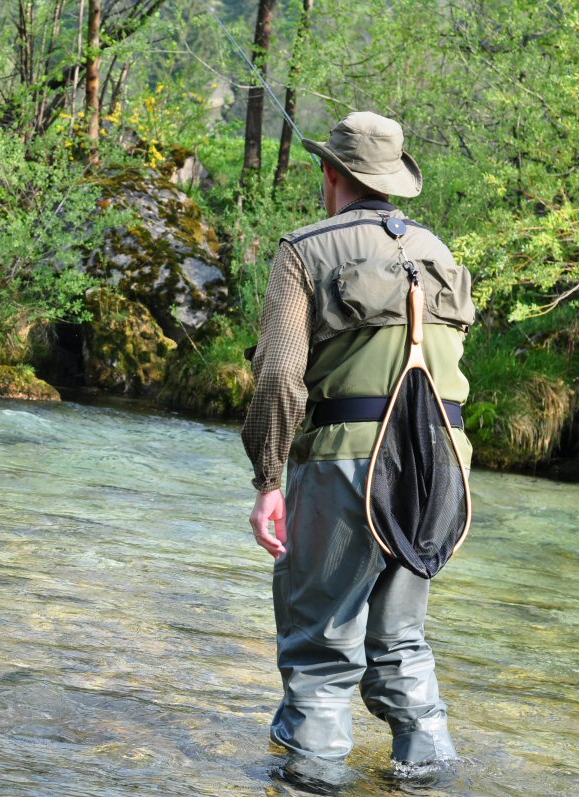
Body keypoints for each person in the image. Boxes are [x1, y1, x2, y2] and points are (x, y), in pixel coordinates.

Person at [241, 112, 475, 768]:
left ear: (330, 173)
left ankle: (311, 779)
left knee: (320, 650)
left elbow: (282, 373)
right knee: (400, 643)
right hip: (442, 467)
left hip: (346, 456)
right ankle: (427, 773)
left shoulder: (305, 250)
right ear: (393, 181)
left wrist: (267, 480)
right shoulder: (440, 255)